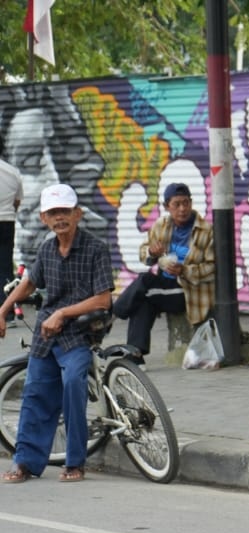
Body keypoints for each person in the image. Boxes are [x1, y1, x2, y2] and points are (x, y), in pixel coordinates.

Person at [0, 184, 113, 483]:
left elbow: (103, 299)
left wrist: (63, 313)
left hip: (80, 332)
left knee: (73, 385)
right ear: (43, 218)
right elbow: (29, 283)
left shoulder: (96, 248)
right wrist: (3, 310)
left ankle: (75, 462)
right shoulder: (47, 249)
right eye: (53, 213)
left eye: (65, 211)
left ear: (78, 214)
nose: (59, 217)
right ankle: (24, 463)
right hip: (46, 335)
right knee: (34, 392)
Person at [113, 182, 215, 358]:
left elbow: (212, 268)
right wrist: (151, 253)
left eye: (186, 203)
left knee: (145, 282)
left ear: (191, 203)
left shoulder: (205, 231)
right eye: (177, 204)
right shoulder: (161, 225)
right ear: (167, 206)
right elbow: (143, 253)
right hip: (164, 286)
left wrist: (184, 270)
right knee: (144, 299)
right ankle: (135, 356)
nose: (182, 209)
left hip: (188, 291)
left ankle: (113, 313)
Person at [0, 146, 21, 294]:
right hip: (7, 221)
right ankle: (6, 309)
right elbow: (17, 201)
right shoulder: (12, 172)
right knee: (5, 266)